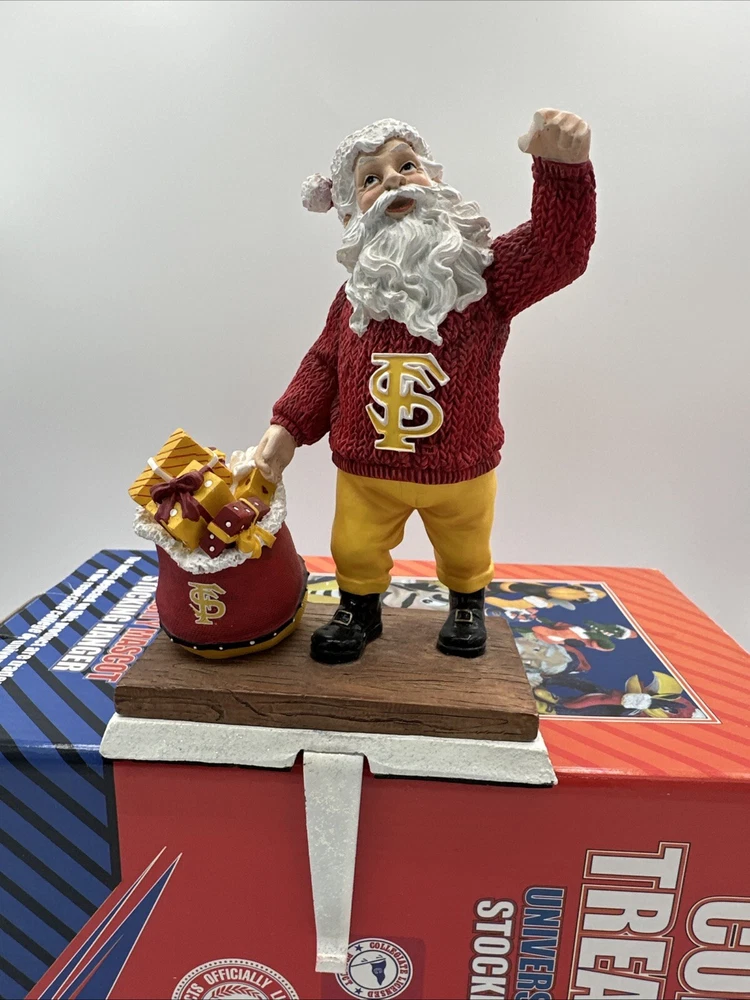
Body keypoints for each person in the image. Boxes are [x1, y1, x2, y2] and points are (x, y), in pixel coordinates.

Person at [255, 111, 596, 664]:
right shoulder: (353, 299)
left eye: (406, 165)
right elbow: (324, 365)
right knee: (354, 545)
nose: (393, 179)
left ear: (433, 180)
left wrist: (562, 171)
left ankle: (466, 604)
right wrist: (287, 426)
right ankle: (359, 608)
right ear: (351, 213)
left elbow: (557, 251)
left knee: (466, 547)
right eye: (371, 178)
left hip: (460, 468)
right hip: (367, 471)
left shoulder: (483, 279)